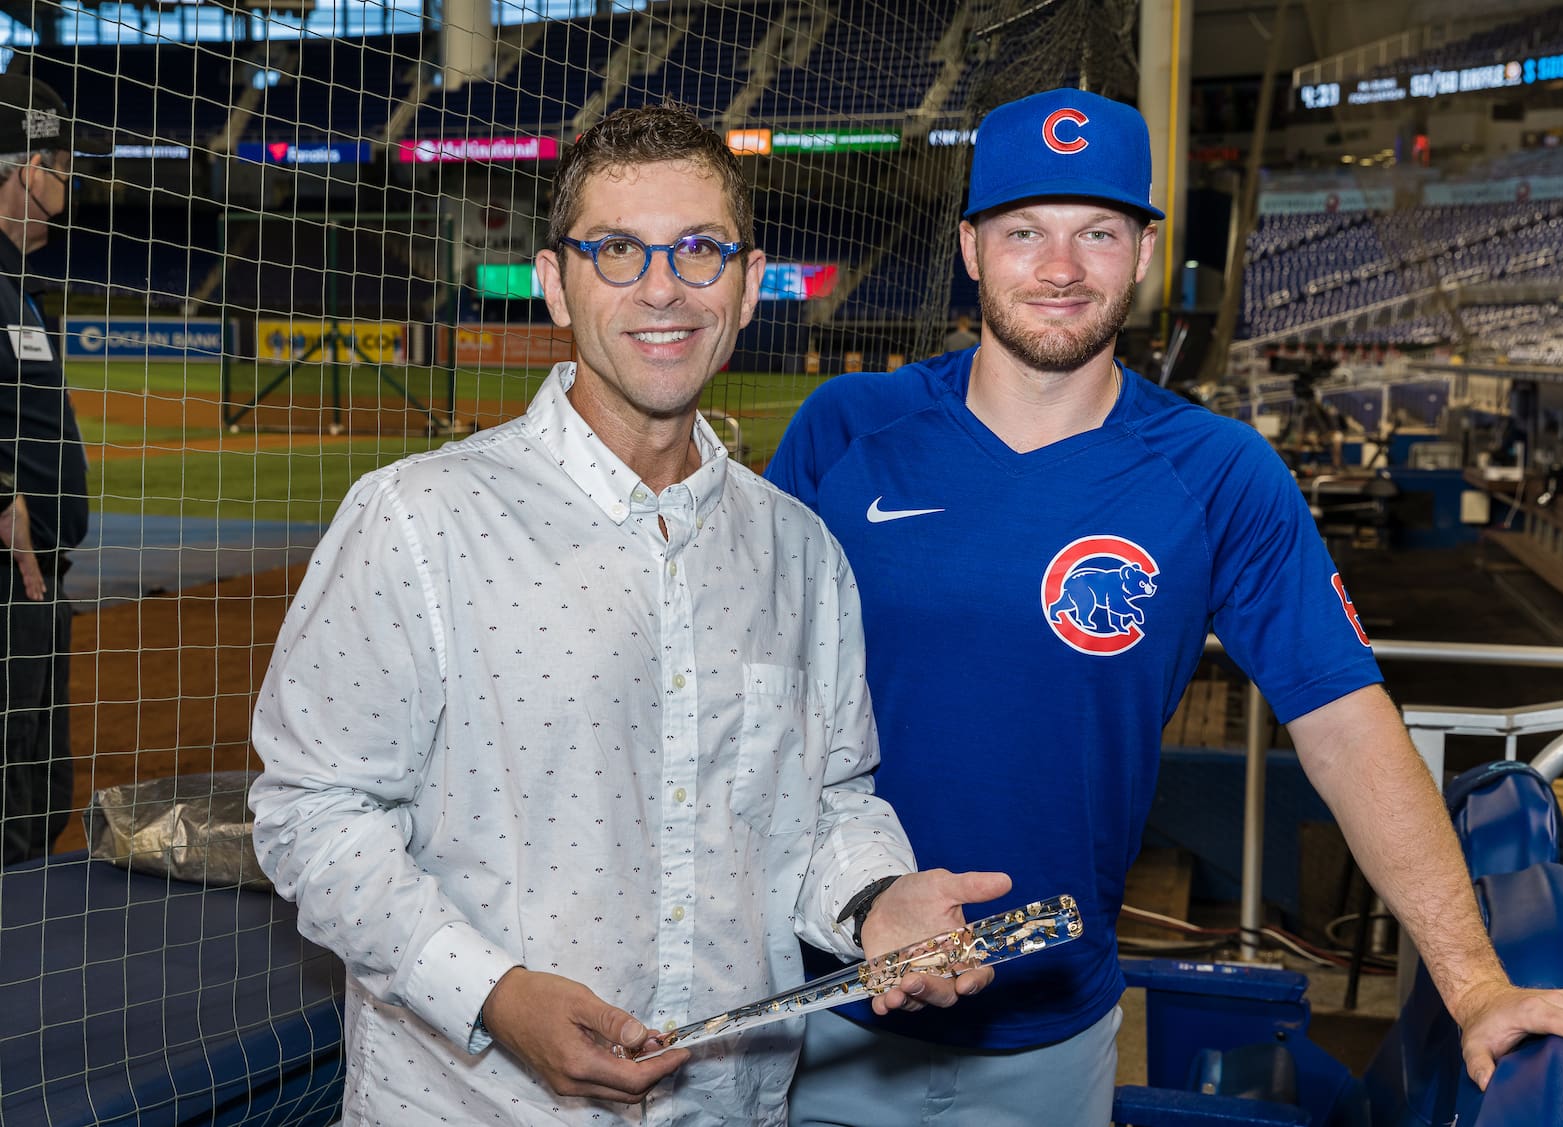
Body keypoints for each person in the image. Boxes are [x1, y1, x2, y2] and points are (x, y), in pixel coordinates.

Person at [766, 87, 1563, 1126]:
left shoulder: (1217, 471)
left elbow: (1348, 725)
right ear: (970, 248)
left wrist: (1475, 983)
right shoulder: (846, 428)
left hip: (1053, 1033)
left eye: (1098, 232)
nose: (1059, 266)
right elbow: (745, 709)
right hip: (817, 1006)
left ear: (1141, 254)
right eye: (1023, 230)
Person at [249, 104, 1009, 1126]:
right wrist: (493, 993)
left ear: (746, 284)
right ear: (556, 280)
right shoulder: (416, 520)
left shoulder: (800, 553)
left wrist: (878, 899)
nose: (662, 287)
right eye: (617, 250)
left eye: (699, 251)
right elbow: (313, 813)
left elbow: (826, 803)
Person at [0, 75, 90, 866]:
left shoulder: (19, 292)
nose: (69, 177)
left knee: (40, 786)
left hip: (37, 583)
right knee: (13, 797)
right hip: (8, 578)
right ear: (29, 167)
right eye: (62, 162)